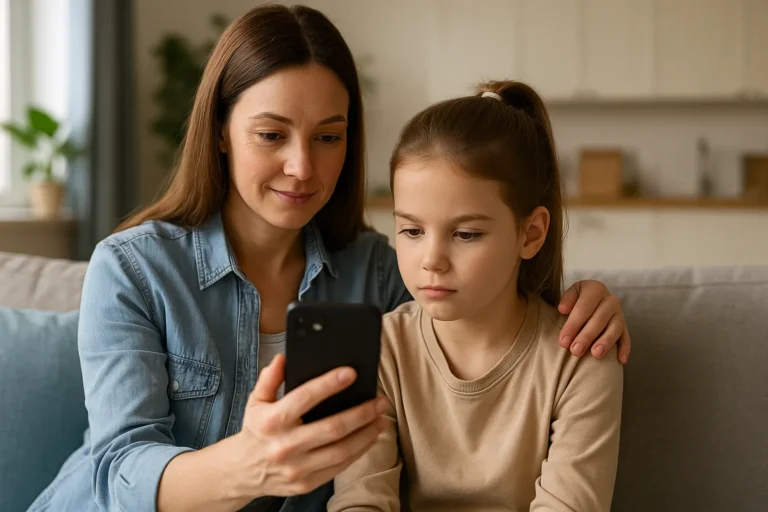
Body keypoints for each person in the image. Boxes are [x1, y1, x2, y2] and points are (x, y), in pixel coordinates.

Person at [28, 5, 630, 512]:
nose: (303, 167)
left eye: (328, 136)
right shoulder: (134, 269)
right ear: (219, 131)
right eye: (271, 135)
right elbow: (117, 470)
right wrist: (251, 464)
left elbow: (478, 307)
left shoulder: (379, 272)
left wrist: (584, 301)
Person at [329, 81, 623, 511]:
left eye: (466, 234)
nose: (432, 259)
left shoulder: (580, 358)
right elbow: (360, 501)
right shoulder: (377, 349)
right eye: (411, 230)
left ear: (532, 233)